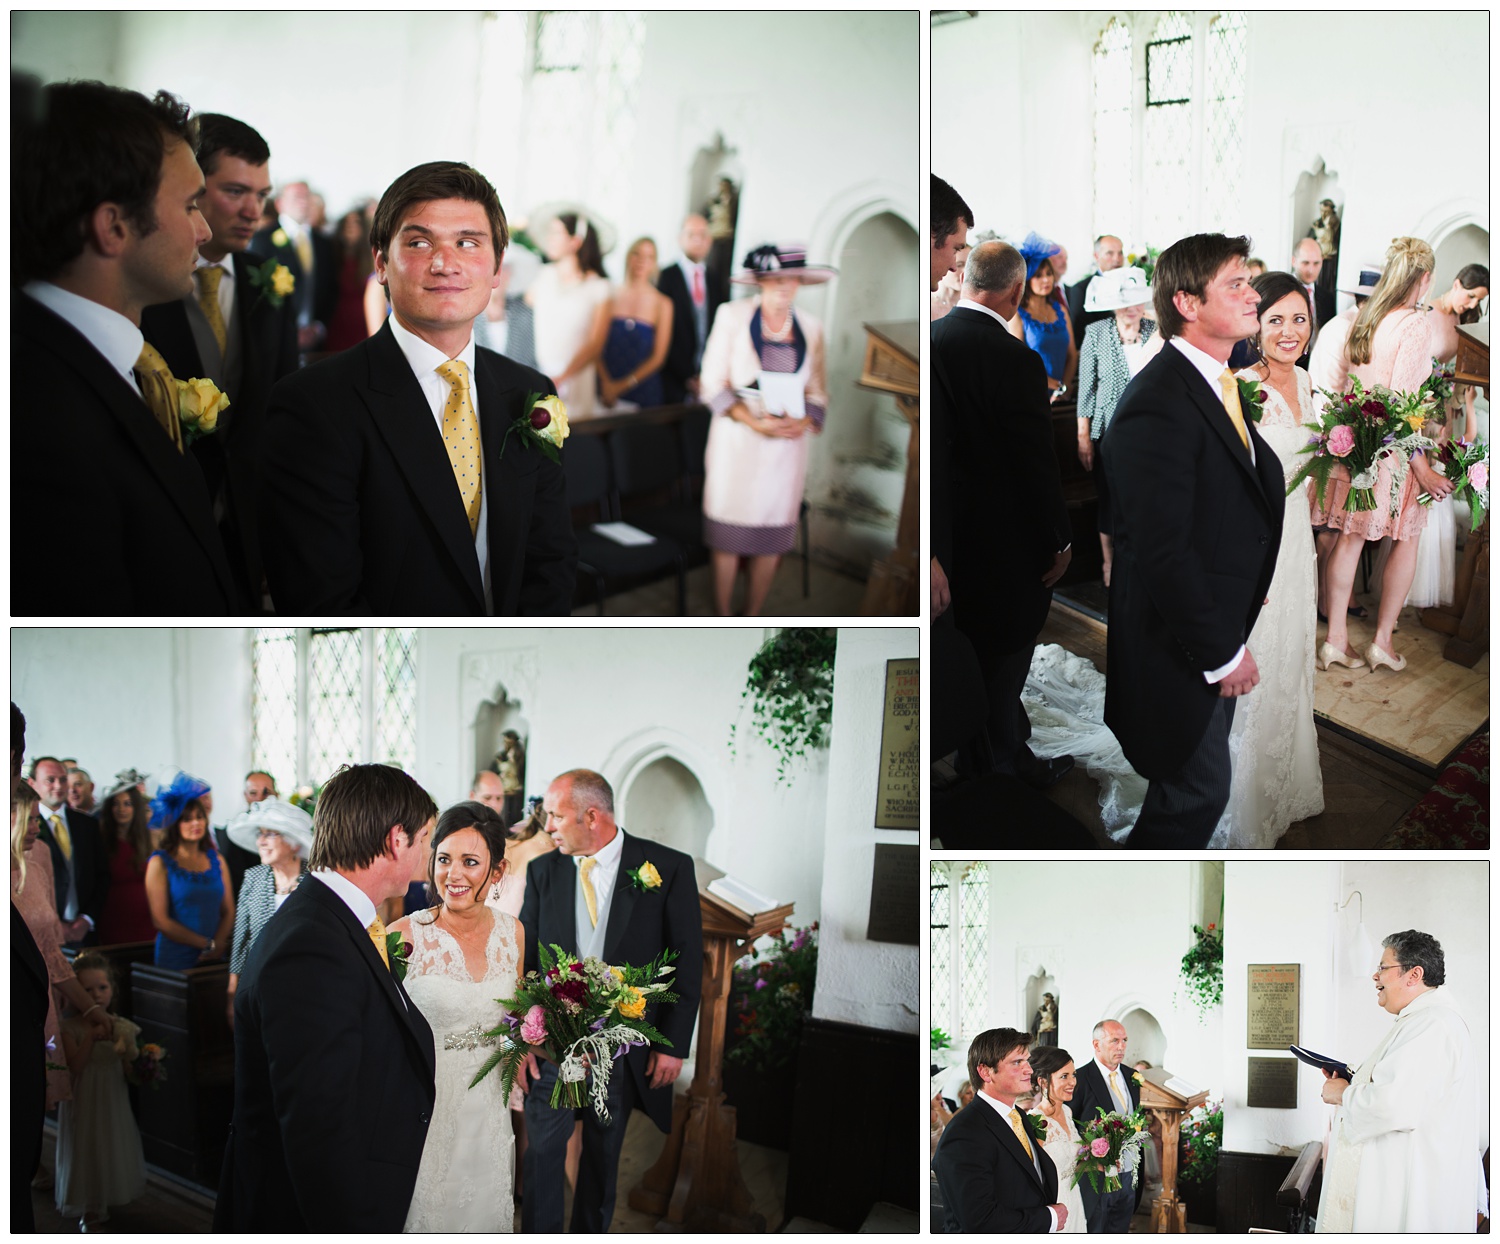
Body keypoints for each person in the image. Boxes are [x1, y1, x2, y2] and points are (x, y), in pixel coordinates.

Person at [258, 161, 578, 615]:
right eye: (419, 242)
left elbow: (551, 556)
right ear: (381, 263)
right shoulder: (312, 405)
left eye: (468, 243)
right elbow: (321, 599)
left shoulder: (528, 391)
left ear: (496, 269)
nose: (445, 263)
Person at [12, 78, 240, 614]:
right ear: (113, 228)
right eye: (189, 206)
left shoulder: (118, 363)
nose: (205, 231)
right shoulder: (35, 414)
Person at [1105, 234, 1284, 849]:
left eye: (1248, 281)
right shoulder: (1156, 403)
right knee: (1198, 792)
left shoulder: (1217, 380)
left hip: (1213, 619)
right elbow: (1163, 551)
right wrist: (1222, 652)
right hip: (1179, 642)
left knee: (1188, 785)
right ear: (1186, 301)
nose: (1252, 294)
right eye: (1235, 283)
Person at [215, 763, 438, 1231]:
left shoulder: (330, 917)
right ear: (397, 839)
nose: (427, 854)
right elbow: (318, 1128)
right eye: (425, 840)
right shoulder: (311, 945)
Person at [517, 769, 703, 1233]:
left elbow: (686, 962)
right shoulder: (544, 871)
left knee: (601, 1160)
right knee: (541, 1151)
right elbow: (525, 961)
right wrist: (521, 1038)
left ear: (592, 816)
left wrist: (673, 1044)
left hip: (621, 1047)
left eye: (557, 816)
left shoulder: (667, 867)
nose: (550, 827)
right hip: (554, 1044)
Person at [140, 113, 299, 608]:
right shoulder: (145, 285)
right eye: (235, 191)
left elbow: (285, 407)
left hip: (251, 516)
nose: (253, 210)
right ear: (194, 186)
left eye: (263, 195)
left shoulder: (270, 279)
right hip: (167, 514)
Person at [932, 241, 1074, 789]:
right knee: (1004, 663)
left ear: (966, 280)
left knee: (970, 658)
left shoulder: (934, 340)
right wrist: (1059, 540)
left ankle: (990, 753)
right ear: (1015, 290)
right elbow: (1036, 465)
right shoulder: (1016, 360)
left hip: (948, 543)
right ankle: (999, 775)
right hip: (1004, 548)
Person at [1315, 237, 1454, 673]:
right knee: (1407, 539)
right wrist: (1424, 468)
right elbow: (1403, 406)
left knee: (1351, 540)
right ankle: (1381, 642)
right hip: (1392, 455)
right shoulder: (1415, 324)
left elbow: (1365, 393)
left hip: (1355, 443)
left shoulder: (1367, 316)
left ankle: (1335, 640)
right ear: (1426, 277)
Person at [1220, 272, 1325, 847]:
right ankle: (1243, 794)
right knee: (1258, 657)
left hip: (1298, 543)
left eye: (1299, 319)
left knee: (1290, 656)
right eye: (1276, 319)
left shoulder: (1309, 384)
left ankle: (1289, 781)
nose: (1289, 331)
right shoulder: (1238, 388)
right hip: (1256, 549)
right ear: (1255, 325)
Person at [390, 801, 523, 1232]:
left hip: (489, 1107)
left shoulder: (513, 933)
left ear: (497, 872)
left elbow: (514, 1022)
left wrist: (520, 1053)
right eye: (444, 859)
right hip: (426, 1107)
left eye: (470, 862)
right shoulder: (404, 937)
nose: (454, 874)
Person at [1315, 931, 1484, 1233]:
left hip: (1412, 1188)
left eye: (1383, 967)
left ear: (1414, 975)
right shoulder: (1424, 1020)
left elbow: (1394, 1105)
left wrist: (1344, 1094)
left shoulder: (1432, 1025)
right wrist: (1355, 1080)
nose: (1374, 976)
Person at [699, 243, 834, 617]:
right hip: (738, 441)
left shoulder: (811, 327)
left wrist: (804, 421)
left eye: (792, 279)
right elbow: (712, 384)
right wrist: (753, 421)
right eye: (775, 279)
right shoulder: (732, 316)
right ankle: (723, 616)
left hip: (786, 449)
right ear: (760, 280)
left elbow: (819, 391)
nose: (784, 287)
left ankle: (752, 613)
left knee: (771, 538)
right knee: (728, 535)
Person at [12, 784, 114, 1118]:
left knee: (31, 1107)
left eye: (36, 819)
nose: (36, 827)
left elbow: (51, 954)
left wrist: (89, 1008)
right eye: (27, 819)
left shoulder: (36, 870)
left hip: (39, 1004)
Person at [1406, 263, 1489, 609]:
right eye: (1469, 296)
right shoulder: (1424, 315)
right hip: (1417, 408)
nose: (1470, 305)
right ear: (1455, 283)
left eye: (1478, 301)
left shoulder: (1464, 323)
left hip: (1445, 409)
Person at [931, 1028, 1067, 1232]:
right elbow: (979, 1220)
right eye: (1017, 1062)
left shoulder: (1018, 1115)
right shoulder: (965, 1133)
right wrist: (1049, 1218)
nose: (1029, 1070)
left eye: (1027, 1060)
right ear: (985, 1072)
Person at [1076, 266, 1160, 587]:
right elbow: (1086, 388)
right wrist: (1083, 436)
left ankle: (1140, 556)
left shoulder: (1156, 329)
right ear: (1112, 303)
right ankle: (1109, 563)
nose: (1131, 307)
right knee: (1110, 497)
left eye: (1137, 301)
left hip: (1149, 433)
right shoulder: (1096, 332)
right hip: (1108, 431)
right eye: (1124, 301)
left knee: (1144, 496)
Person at [55, 953, 146, 1231]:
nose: (96, 995)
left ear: (112, 990)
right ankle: (89, 1207)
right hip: (84, 1099)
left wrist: (139, 1061)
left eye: (102, 988)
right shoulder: (70, 1028)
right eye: (87, 990)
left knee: (110, 1145)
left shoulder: (121, 1026)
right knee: (87, 1147)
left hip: (112, 1098)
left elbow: (129, 1068)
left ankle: (107, 1196)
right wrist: (92, 1040)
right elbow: (76, 1067)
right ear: (74, 993)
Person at [224, 796, 313, 1026]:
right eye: (259, 834)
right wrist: (233, 991)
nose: (261, 841)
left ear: (293, 843)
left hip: (306, 986)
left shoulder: (314, 881)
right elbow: (241, 940)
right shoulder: (253, 878)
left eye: (270, 834)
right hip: (259, 986)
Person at [527, 206, 614, 419]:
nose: (549, 239)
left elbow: (596, 344)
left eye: (556, 233)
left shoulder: (600, 287)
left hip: (576, 380)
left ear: (575, 241)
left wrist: (562, 377)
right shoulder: (543, 276)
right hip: (539, 376)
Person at [144, 773, 232, 969]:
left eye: (200, 817)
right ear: (175, 823)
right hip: (176, 955)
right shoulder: (159, 863)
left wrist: (218, 944)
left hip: (215, 955)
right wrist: (206, 944)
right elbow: (160, 920)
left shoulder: (217, 860)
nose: (196, 824)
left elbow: (228, 910)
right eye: (187, 819)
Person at [250, 179, 338, 353]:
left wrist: (319, 327)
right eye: (297, 197)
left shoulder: (324, 243)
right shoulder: (263, 239)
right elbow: (256, 292)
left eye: (307, 196)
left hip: (315, 340)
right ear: (279, 203)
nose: (304, 201)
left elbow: (330, 287)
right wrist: (286, 330)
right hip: (275, 339)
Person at [1069, 1020, 1140, 1232]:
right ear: (1096, 1044)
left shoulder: (1131, 1076)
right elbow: (1070, 1127)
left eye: (1124, 1040)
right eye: (1114, 1041)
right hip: (1096, 1177)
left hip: (1129, 1175)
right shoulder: (1079, 1079)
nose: (1121, 1046)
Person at [30, 756, 108, 947]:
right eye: (50, 780)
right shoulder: (24, 827)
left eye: (63, 779)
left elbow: (102, 875)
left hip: (84, 932)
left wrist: (87, 919)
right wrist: (54, 922)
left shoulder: (87, 824)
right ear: (32, 784)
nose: (59, 786)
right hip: (42, 934)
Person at [598, 236, 674, 408]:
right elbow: (595, 344)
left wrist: (621, 386)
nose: (641, 261)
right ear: (627, 257)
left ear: (655, 263)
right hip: (604, 389)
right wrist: (606, 384)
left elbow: (658, 358)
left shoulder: (663, 304)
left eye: (649, 257)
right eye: (636, 254)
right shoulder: (608, 294)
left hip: (642, 393)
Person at [657, 213, 723, 403]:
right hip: (671, 378)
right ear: (680, 239)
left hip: (707, 379)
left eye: (703, 235)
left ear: (709, 241)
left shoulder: (714, 279)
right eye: (691, 235)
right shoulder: (666, 277)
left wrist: (707, 374)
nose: (698, 240)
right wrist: (686, 377)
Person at [1007, 233, 1077, 399]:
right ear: (1026, 279)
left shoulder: (1061, 309)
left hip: (1060, 396)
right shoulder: (1017, 314)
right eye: (1038, 276)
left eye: (1048, 274)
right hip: (1029, 393)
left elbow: (1072, 354)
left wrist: (1063, 389)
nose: (1046, 280)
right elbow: (1016, 361)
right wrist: (1049, 383)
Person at [1027, 1045, 1086, 1233]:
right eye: (1064, 1076)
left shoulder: (1067, 1112)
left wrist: (1099, 1163)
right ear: (1043, 1082)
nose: (1073, 1082)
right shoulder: (1035, 1121)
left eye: (1074, 1075)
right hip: (1053, 1206)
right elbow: (1031, 1178)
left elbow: (1072, 1164)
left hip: (1074, 1200)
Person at [94, 778, 157, 944]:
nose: (121, 809)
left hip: (148, 919)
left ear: (136, 808)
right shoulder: (100, 839)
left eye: (128, 803)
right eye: (116, 804)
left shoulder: (151, 839)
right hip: (112, 917)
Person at [471, 245, 540, 370]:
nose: (499, 275)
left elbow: (532, 363)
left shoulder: (524, 314)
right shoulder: (467, 317)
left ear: (512, 274)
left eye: (505, 269)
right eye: (493, 268)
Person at [325, 209, 376, 352]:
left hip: (364, 320)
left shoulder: (371, 259)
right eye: (347, 223)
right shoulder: (332, 256)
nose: (350, 227)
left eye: (356, 223)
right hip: (338, 321)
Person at [1067, 234, 1125, 345]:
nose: (1117, 259)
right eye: (1110, 253)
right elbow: (1079, 333)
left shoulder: (1130, 286)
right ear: (1096, 256)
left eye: (1120, 253)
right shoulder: (1081, 289)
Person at [495, 730, 527, 826]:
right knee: (503, 817)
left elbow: (521, 773)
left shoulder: (519, 756)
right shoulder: (500, 756)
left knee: (514, 818)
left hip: (516, 791)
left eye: (509, 742)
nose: (506, 744)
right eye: (505, 742)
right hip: (503, 790)